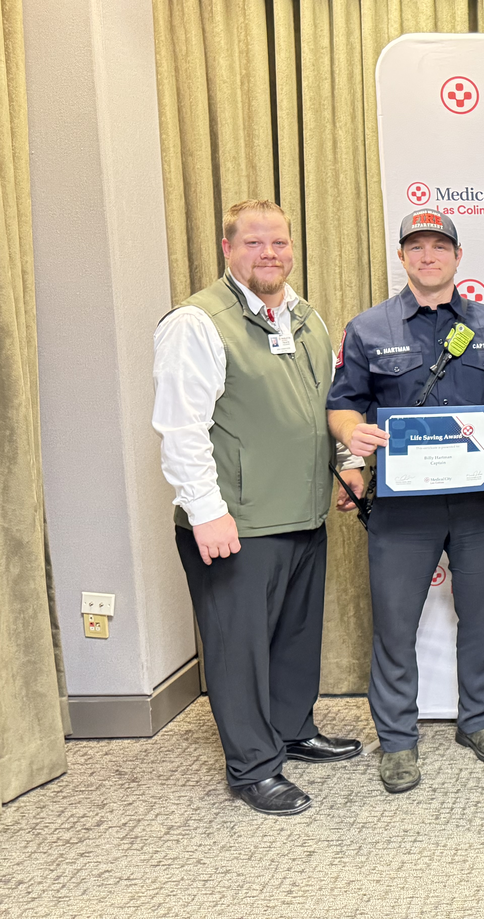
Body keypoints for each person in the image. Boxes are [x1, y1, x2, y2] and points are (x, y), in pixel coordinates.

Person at [152, 199, 360, 816]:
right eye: (254, 244)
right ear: (227, 249)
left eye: (278, 243)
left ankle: (291, 730)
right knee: (237, 647)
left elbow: (327, 408)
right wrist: (206, 510)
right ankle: (252, 767)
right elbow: (181, 427)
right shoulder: (197, 322)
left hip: (301, 512)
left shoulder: (307, 317)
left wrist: (348, 467)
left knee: (295, 638)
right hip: (234, 521)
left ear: (292, 247)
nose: (268, 254)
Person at [326, 209, 484, 794]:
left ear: (458, 257)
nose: (428, 256)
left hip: (481, 500)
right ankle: (398, 741)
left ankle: (477, 721)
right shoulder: (368, 328)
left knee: (483, 618)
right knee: (394, 623)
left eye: (440, 246)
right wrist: (349, 443)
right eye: (417, 247)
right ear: (403, 256)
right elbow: (343, 405)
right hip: (402, 505)